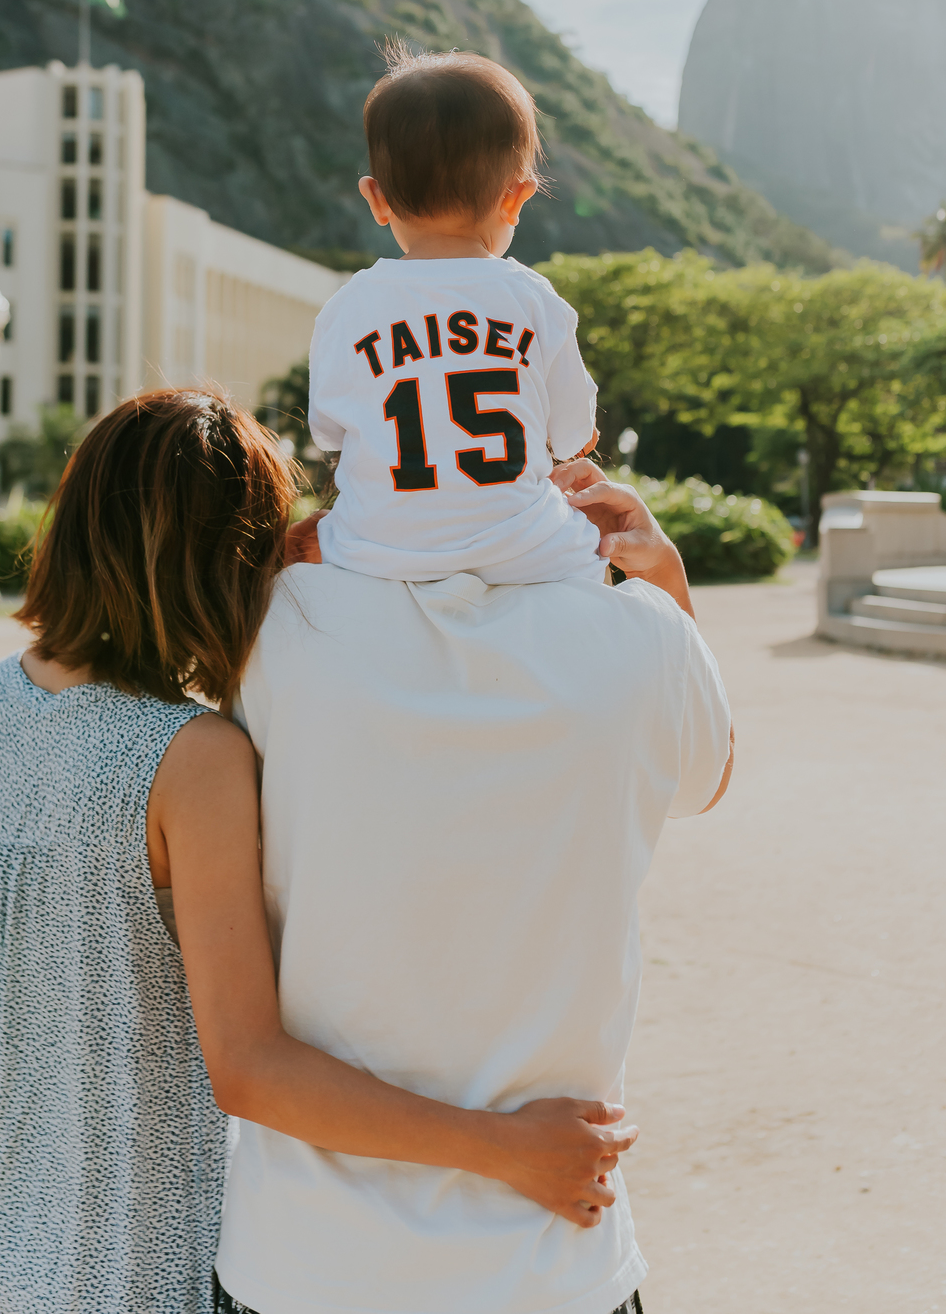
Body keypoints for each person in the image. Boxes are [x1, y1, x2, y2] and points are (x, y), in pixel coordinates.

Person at [0, 391, 639, 1314]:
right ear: (223, 560)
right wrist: (508, 1148)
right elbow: (249, 1067)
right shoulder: (188, 759)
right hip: (116, 1265)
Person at [215, 458, 734, 1314]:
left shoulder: (274, 630)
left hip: (310, 1262)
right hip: (551, 1261)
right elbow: (708, 773)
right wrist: (664, 577)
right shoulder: (643, 637)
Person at [307, 43, 605, 584]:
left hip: (376, 559)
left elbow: (329, 433)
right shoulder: (535, 300)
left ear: (376, 199)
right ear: (516, 198)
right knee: (597, 543)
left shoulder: (347, 308)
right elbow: (572, 436)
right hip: (529, 556)